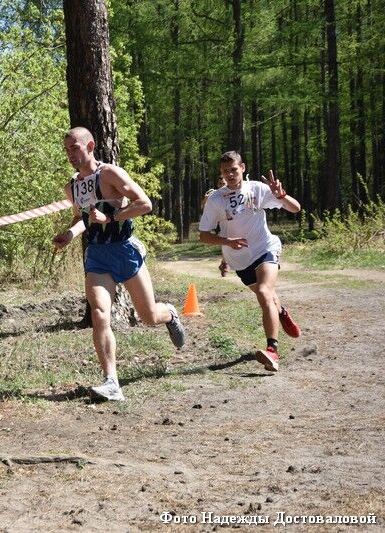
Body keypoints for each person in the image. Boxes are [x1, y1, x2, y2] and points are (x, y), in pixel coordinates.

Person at [52, 127, 186, 401]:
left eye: (74, 148)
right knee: (100, 312)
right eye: (66, 150)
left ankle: (169, 314)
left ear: (90, 146)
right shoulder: (73, 186)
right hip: (97, 254)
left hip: (124, 250)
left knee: (149, 317)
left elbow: (145, 204)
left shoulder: (110, 174)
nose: (70, 155)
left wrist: (112, 218)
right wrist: (69, 234)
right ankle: (111, 381)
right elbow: (82, 219)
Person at [198, 151, 302, 372]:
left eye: (233, 170)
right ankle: (281, 312)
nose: (230, 175)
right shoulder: (216, 199)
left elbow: (296, 208)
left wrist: (281, 195)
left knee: (265, 291)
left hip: (265, 248)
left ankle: (272, 350)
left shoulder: (258, 188)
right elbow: (204, 235)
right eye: (225, 171)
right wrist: (226, 242)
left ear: (242, 168)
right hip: (239, 259)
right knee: (268, 298)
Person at [201, 177, 229, 277]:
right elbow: (202, 207)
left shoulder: (233, 192)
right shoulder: (213, 194)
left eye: (224, 183)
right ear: (218, 185)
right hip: (219, 222)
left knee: (228, 242)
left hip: (231, 221)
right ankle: (225, 263)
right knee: (224, 242)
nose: (222, 185)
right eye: (220, 183)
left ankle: (224, 262)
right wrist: (205, 199)